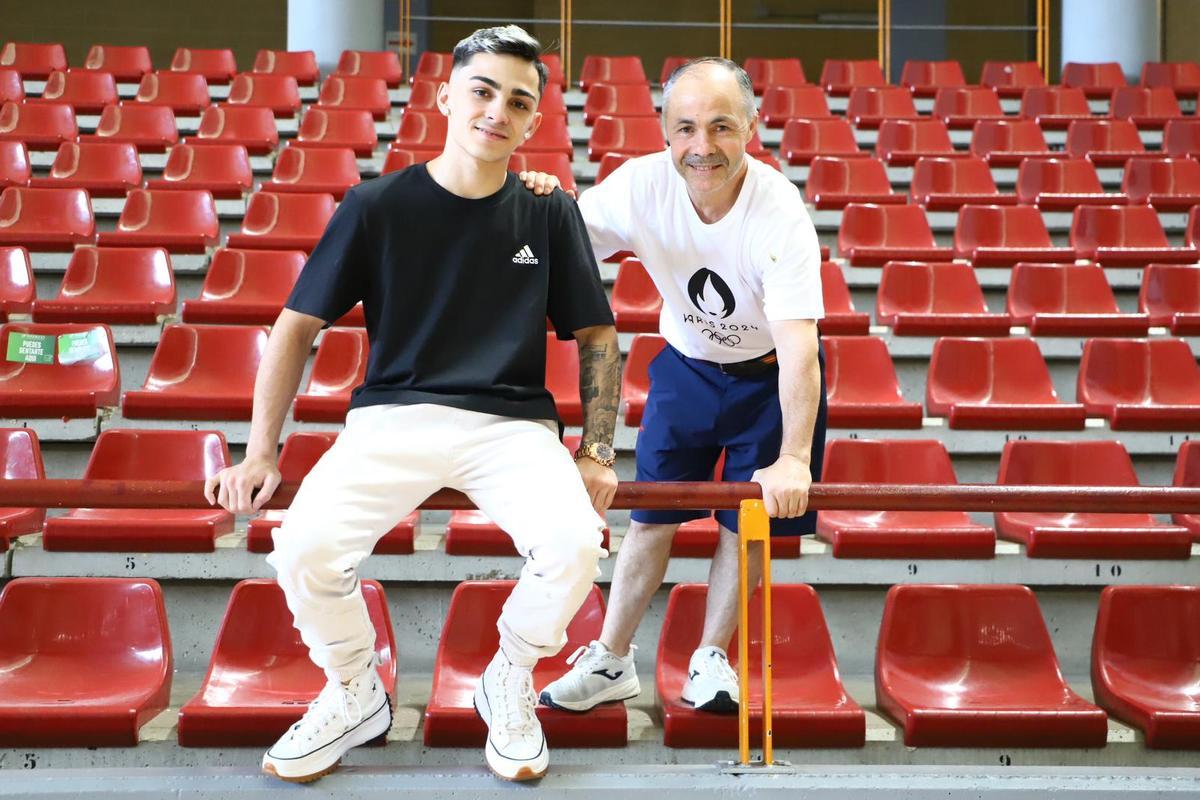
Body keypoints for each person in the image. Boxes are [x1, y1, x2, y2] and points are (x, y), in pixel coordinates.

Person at [205, 25, 621, 784]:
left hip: (512, 423)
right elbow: (295, 327)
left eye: (518, 102)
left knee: (575, 544)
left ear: (534, 121)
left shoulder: (548, 211)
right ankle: (354, 686)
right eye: (483, 91)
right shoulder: (376, 205)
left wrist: (595, 449)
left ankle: (509, 675)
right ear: (446, 97)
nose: (498, 110)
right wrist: (261, 450)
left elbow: (595, 334)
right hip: (390, 418)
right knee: (302, 549)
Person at [537, 57, 827, 715]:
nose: (703, 146)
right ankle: (610, 660)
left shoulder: (778, 212)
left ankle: (710, 658)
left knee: (746, 523)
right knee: (650, 517)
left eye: (721, 127)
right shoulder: (642, 186)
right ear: (666, 132)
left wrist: (795, 458)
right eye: (686, 128)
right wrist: (538, 195)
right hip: (687, 367)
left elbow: (799, 350)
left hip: (769, 376)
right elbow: (563, 233)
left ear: (750, 128)